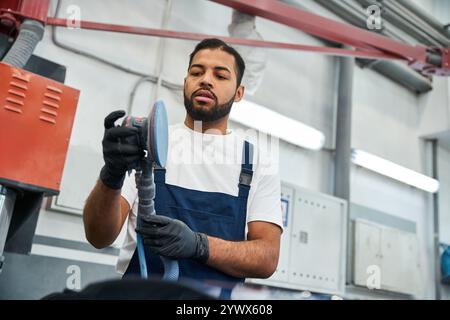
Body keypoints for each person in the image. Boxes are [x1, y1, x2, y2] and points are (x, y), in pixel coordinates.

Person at [83, 38, 282, 295]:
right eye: (196, 72)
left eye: (220, 76)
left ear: (239, 92)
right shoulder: (149, 142)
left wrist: (200, 246)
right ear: (186, 82)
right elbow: (99, 237)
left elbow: (267, 258)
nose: (206, 80)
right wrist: (111, 174)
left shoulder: (256, 162)